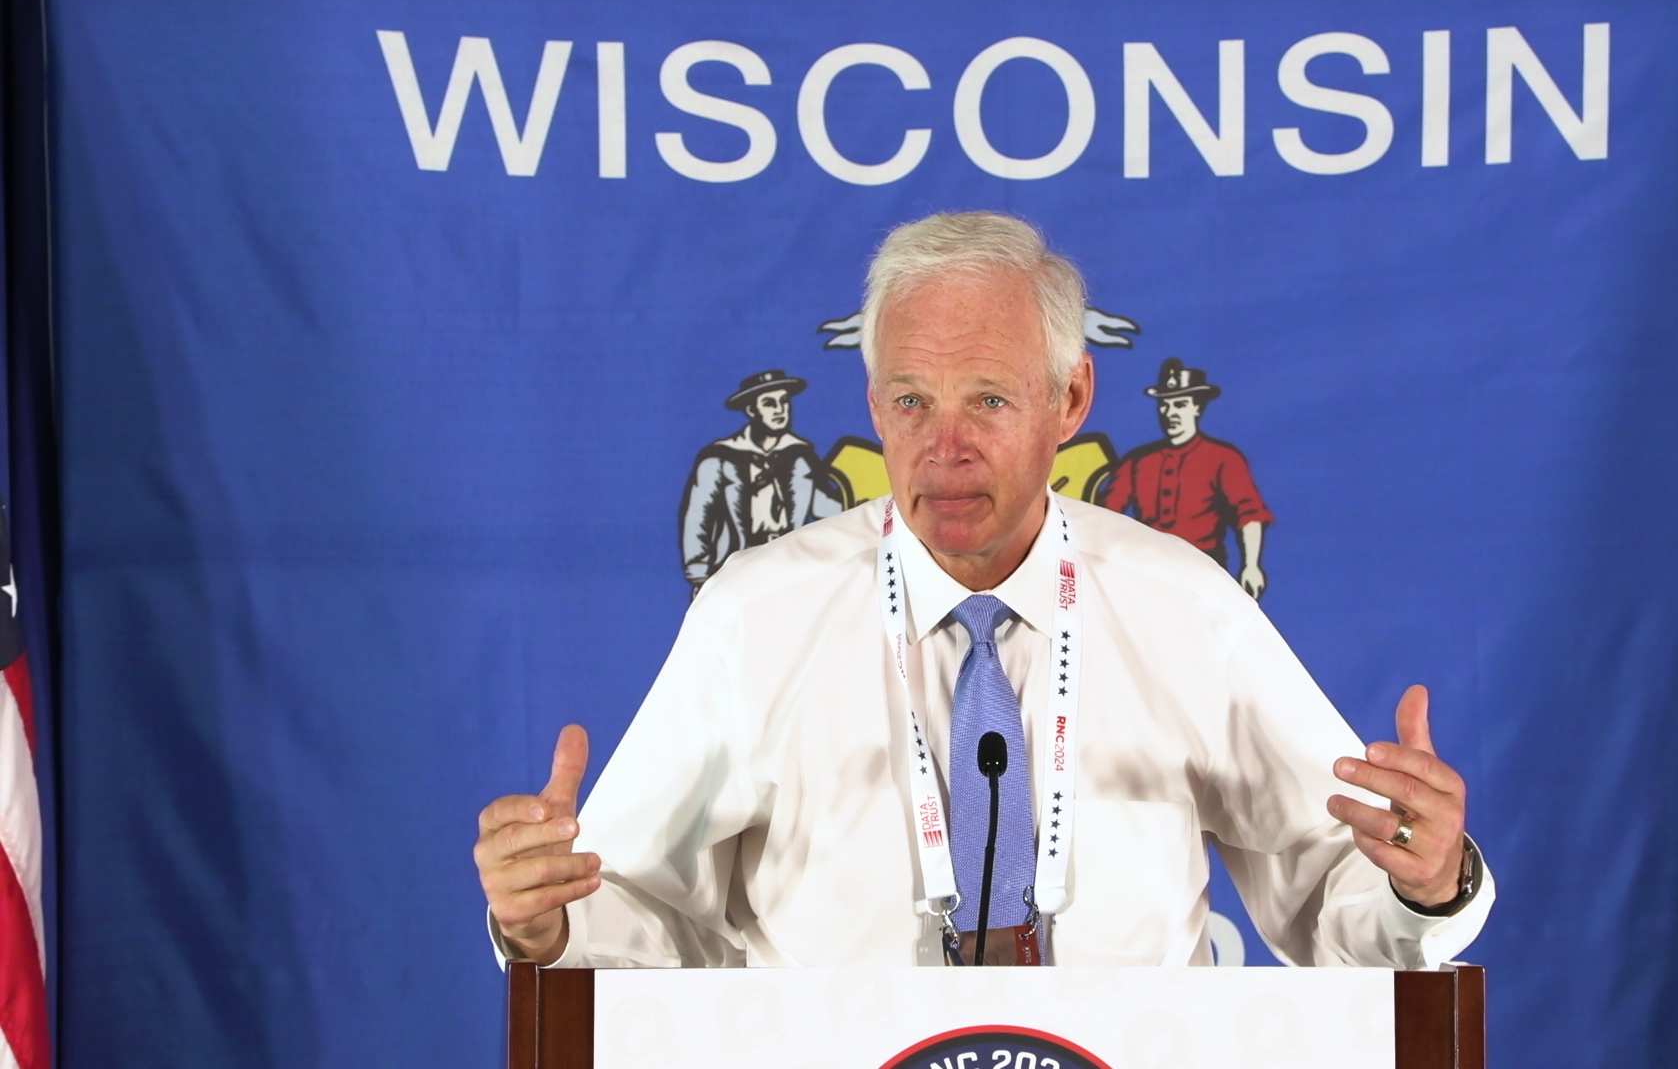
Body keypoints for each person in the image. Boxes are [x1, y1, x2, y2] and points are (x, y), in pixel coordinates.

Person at [474, 212, 1492, 968]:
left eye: (990, 401)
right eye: (911, 402)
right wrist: (546, 918)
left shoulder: (1187, 607)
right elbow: (636, 915)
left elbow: (1337, 896)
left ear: (1072, 399)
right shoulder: (757, 615)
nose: (945, 447)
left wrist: (1427, 884)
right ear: (873, 407)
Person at [1099, 358, 1274, 599]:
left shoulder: (1224, 458)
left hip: (1205, 574)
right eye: (1164, 405)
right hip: (1147, 575)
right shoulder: (1137, 461)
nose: (1171, 413)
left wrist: (1251, 565)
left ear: (1197, 408)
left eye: (1180, 405)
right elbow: (1106, 515)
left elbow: (1249, 514)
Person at [678, 369, 843, 596]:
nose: (780, 410)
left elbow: (822, 507)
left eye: (784, 401)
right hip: (735, 572)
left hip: (789, 571)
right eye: (769, 403)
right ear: (751, 410)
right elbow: (698, 518)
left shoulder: (801, 457)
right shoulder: (719, 459)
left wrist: (862, 503)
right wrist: (700, 576)